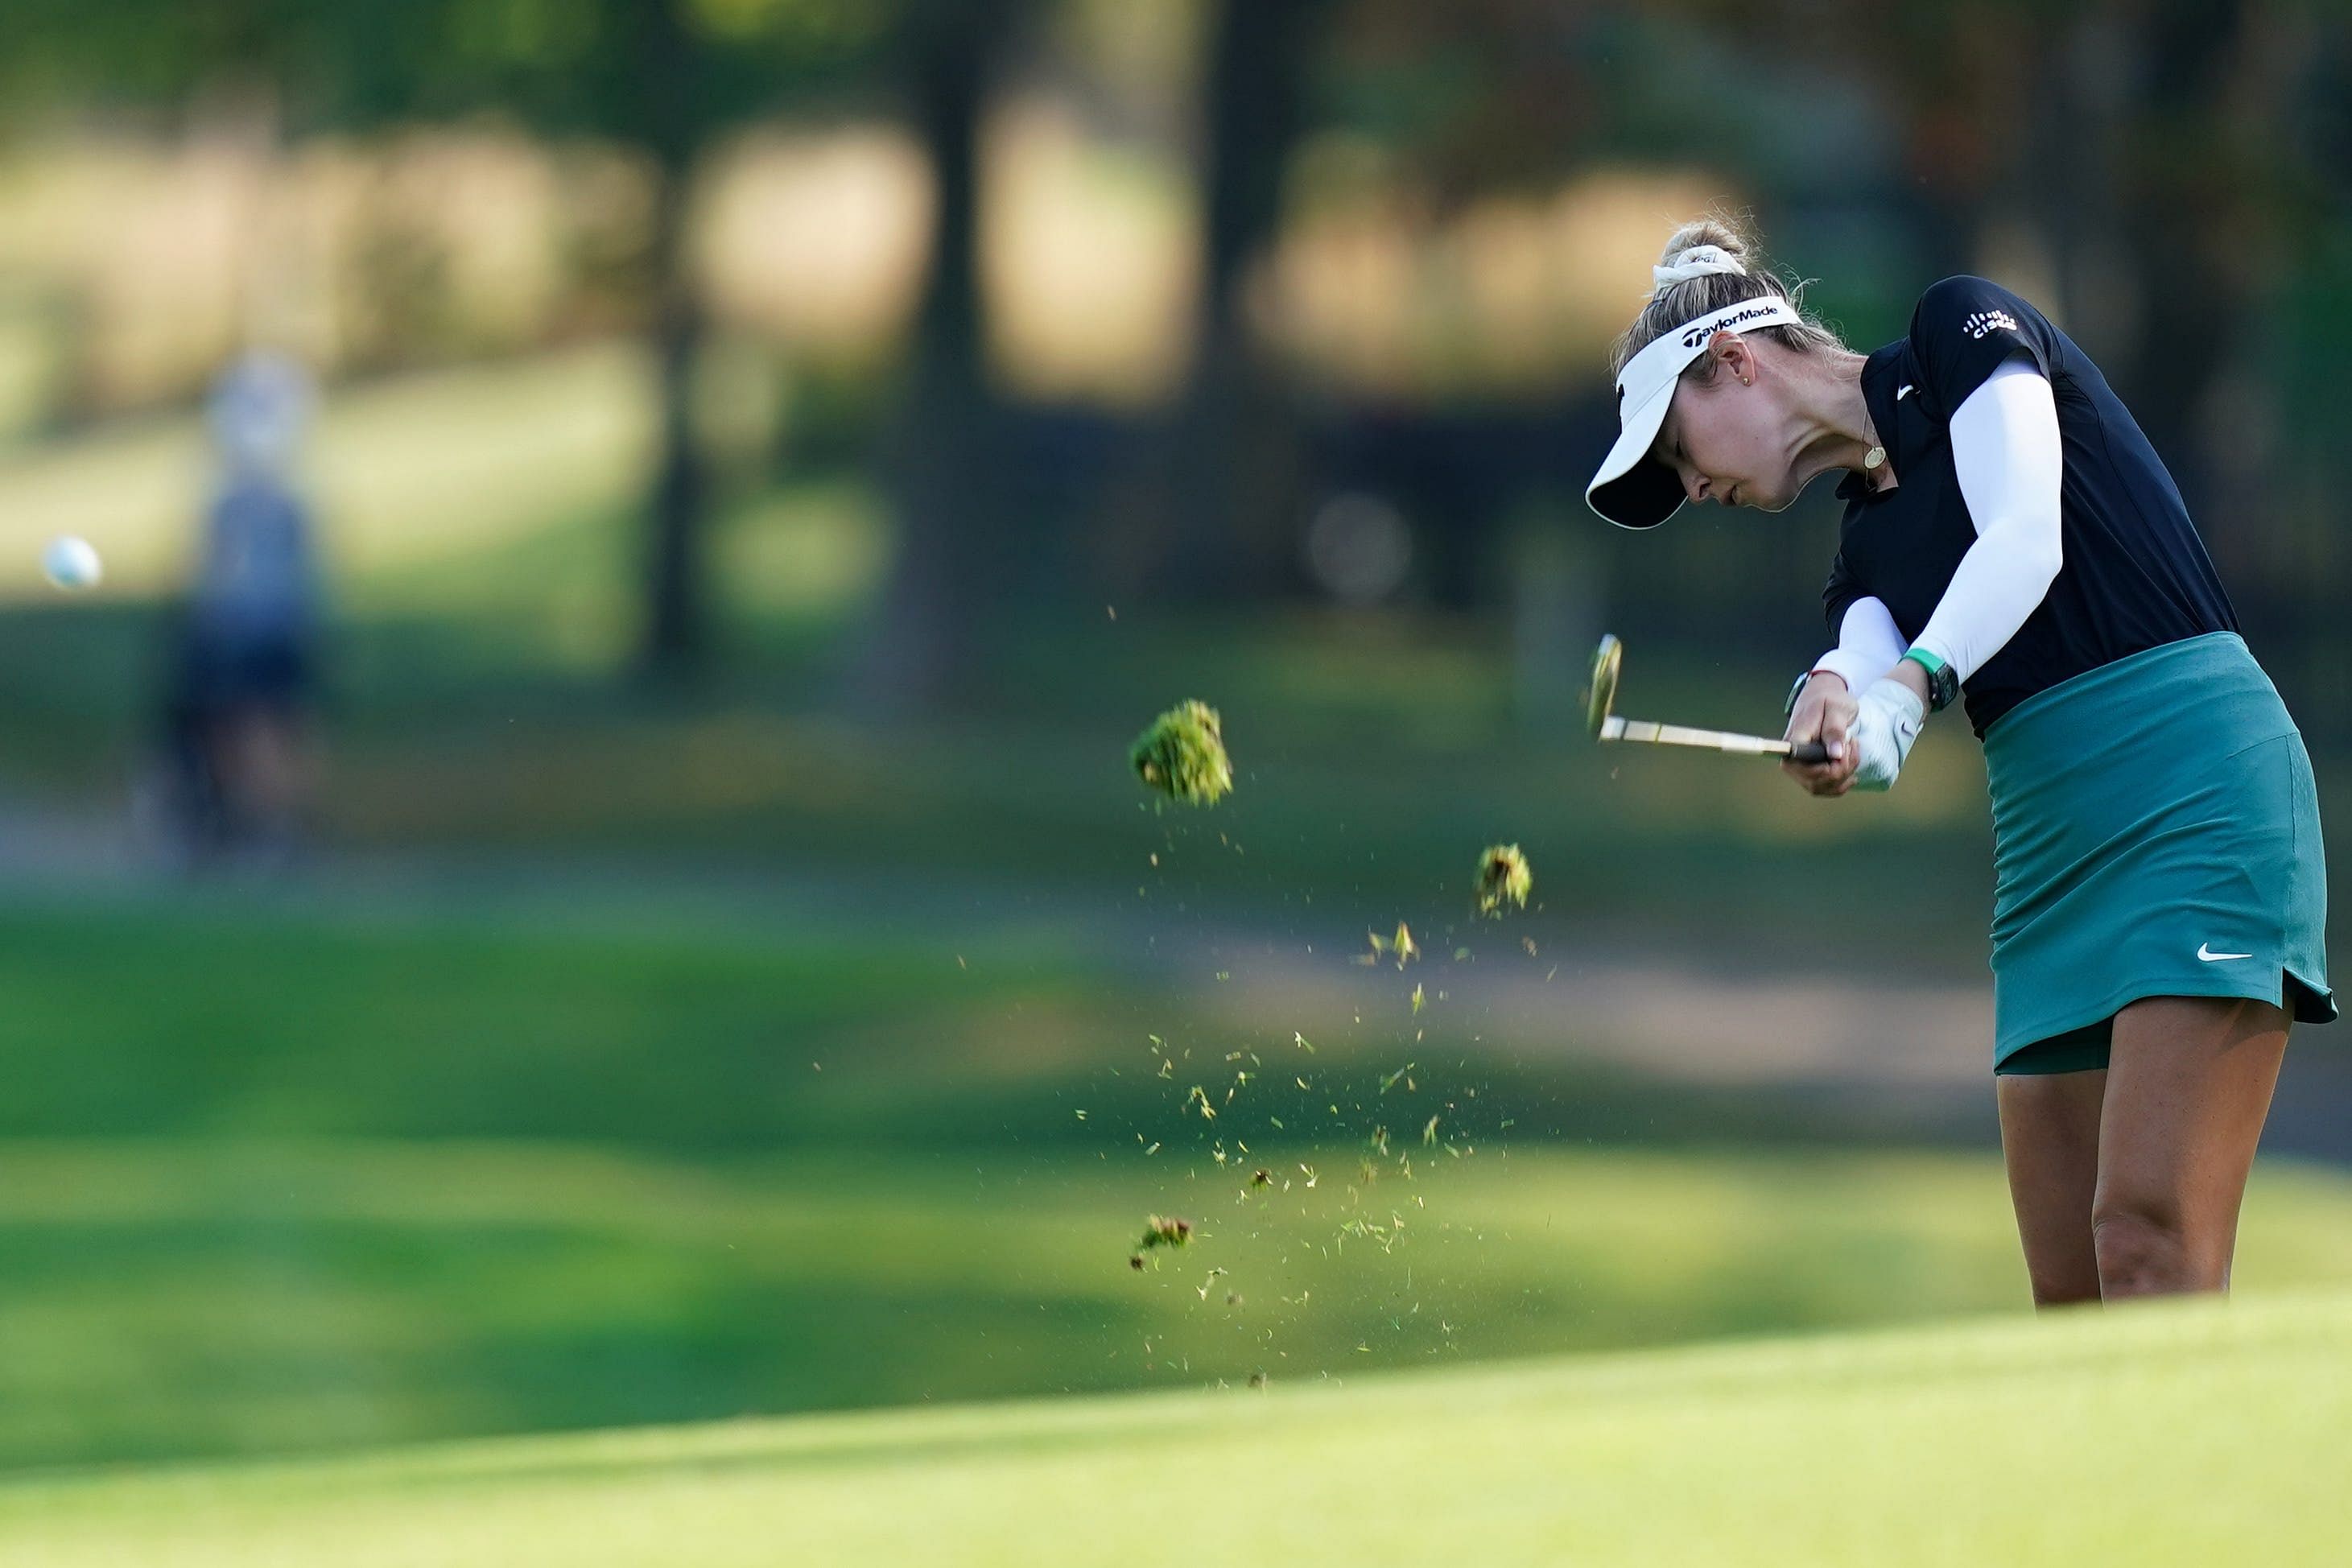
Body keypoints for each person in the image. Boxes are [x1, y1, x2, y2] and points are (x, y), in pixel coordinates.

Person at [1584, 214, 2332, 1306]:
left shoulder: (1955, 334)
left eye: (1676, 451)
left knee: (2148, 1242)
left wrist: (1906, 688)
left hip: (2192, 794)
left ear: (1733, 361)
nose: (1690, 490)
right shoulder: (1860, 555)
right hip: (2049, 864)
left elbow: (2024, 534)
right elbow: (1854, 659)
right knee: (2074, 1299)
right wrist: (1830, 710)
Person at [155, 352, 327, 865]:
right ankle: (253, 826)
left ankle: (267, 828)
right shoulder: (269, 501)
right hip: (260, 631)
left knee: (258, 728)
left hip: (252, 632)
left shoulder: (262, 503)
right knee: (251, 728)